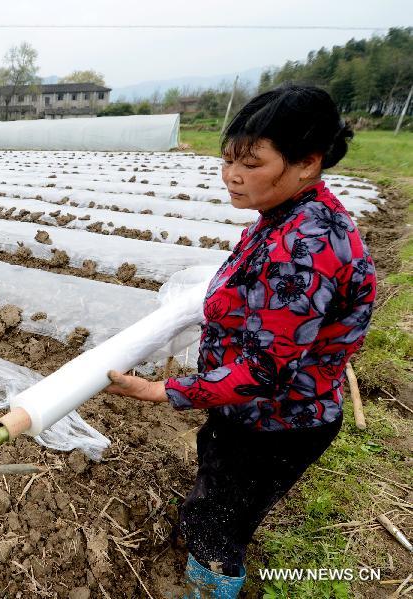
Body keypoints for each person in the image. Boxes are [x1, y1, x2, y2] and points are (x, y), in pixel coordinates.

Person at [104, 85, 376, 597]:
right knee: (219, 483)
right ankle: (206, 525)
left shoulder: (303, 247)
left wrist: (163, 391)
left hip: (276, 421)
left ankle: (210, 582)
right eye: (228, 159)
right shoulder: (291, 214)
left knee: (220, 525)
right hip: (253, 412)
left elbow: (265, 373)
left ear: (307, 163)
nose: (232, 175)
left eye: (251, 164)